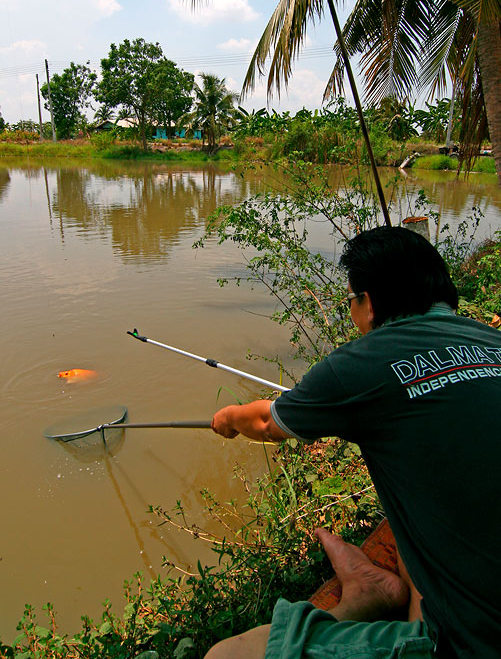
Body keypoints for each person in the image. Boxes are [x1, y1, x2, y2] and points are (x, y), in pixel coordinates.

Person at [207, 226, 501, 659]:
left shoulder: (359, 365)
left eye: (350, 300)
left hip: (475, 640)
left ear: (368, 301)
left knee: (225, 656)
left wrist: (228, 418)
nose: (351, 311)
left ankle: (371, 602)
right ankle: (371, 592)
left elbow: (268, 423)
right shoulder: (491, 340)